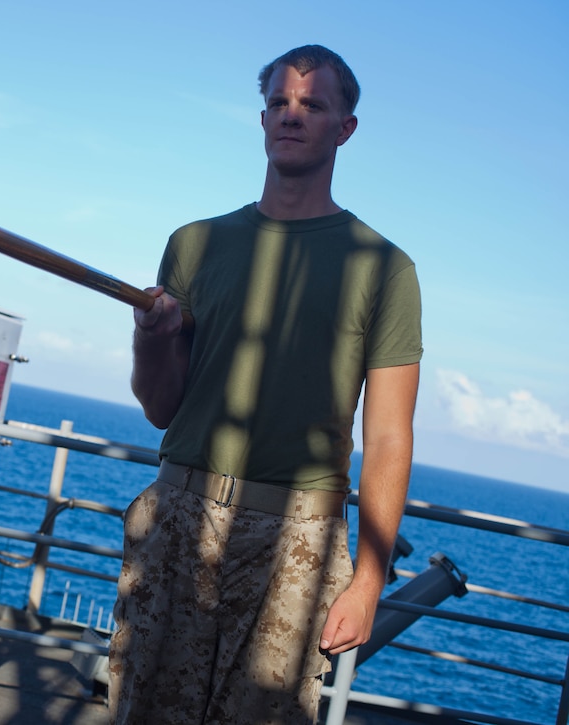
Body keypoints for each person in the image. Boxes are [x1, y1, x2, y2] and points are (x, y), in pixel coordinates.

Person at [108, 45, 422, 724]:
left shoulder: (385, 267)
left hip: (297, 540)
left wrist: (368, 579)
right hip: (181, 516)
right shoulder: (195, 243)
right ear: (261, 118)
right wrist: (149, 335)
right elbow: (162, 407)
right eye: (280, 103)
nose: (292, 115)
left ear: (346, 127)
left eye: (312, 105)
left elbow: (391, 435)